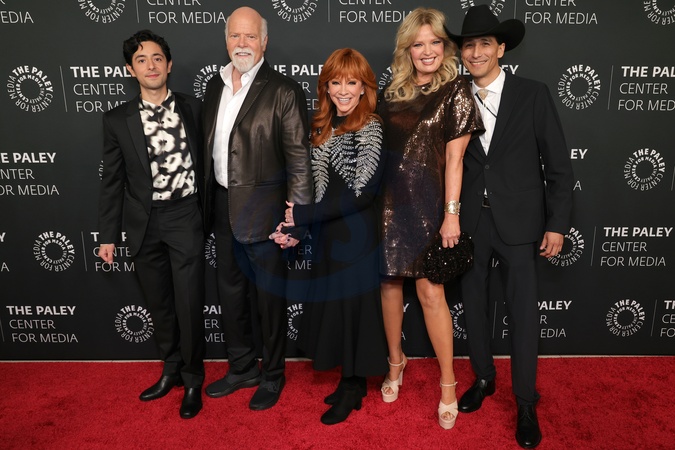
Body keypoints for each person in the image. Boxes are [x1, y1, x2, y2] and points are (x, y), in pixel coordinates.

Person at [448, 5, 574, 448]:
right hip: (471, 222)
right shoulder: (453, 96)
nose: (476, 52)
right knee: (474, 306)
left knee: (523, 314)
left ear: (501, 48)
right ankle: (483, 378)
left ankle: (525, 401)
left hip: (521, 223)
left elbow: (558, 165)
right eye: (468, 45)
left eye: (485, 44)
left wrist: (557, 223)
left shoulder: (533, 94)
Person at [202, 6, 313, 411]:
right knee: (230, 295)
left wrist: (297, 220)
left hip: (266, 214)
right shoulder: (214, 86)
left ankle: (273, 374)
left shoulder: (283, 90)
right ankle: (242, 367)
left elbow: (299, 160)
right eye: (235, 36)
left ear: (264, 42)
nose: (242, 44)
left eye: (250, 36)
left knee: (268, 299)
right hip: (221, 207)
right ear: (226, 40)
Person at [377, 8, 483, 430]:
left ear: (445, 46)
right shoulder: (391, 92)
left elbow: (456, 160)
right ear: (407, 49)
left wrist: (450, 215)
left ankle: (448, 383)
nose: (426, 51)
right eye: (418, 43)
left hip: (429, 209)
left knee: (431, 294)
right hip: (387, 205)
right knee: (389, 287)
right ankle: (395, 363)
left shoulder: (456, 91)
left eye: (435, 42)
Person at [271, 48, 388, 425]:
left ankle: (354, 387)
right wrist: (296, 227)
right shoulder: (321, 125)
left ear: (364, 87)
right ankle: (348, 381)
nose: (343, 90)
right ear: (325, 86)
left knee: (354, 308)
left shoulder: (371, 126)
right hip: (328, 234)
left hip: (358, 235)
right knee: (337, 307)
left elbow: (362, 194)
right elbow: (314, 189)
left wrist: (303, 215)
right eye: (335, 82)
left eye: (352, 82)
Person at [97, 30, 206, 419]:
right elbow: (112, 181)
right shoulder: (116, 119)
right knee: (159, 305)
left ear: (169, 64)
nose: (151, 65)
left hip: (185, 215)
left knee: (189, 303)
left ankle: (193, 380)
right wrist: (108, 236)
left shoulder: (194, 108)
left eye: (157, 58)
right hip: (143, 222)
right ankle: (171, 369)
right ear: (130, 69)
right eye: (141, 60)